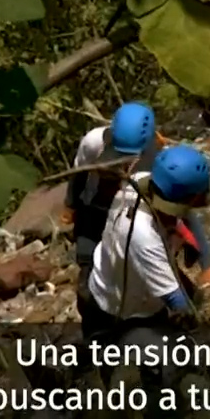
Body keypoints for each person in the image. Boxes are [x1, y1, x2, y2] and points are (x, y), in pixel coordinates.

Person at [84, 145, 210, 345]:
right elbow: (177, 301)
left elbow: (188, 213)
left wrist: (206, 262)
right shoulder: (143, 236)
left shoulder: (142, 183)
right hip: (120, 311)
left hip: (113, 278)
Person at [63, 102, 162, 330]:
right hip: (94, 211)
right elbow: (78, 175)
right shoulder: (93, 143)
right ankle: (94, 330)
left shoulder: (155, 156)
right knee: (88, 270)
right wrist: (71, 205)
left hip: (127, 215)